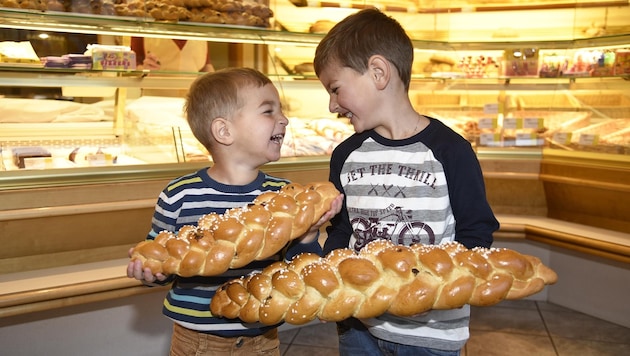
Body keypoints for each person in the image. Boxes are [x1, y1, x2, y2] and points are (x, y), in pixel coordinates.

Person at [313, 9, 499, 356]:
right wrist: (333, 277)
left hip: (431, 336)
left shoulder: (451, 151)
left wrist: (440, 288)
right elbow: (342, 230)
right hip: (358, 326)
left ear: (378, 73)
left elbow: (476, 233)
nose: (331, 105)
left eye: (335, 89)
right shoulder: (345, 155)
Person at [127, 67, 343, 356]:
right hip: (197, 341)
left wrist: (309, 236)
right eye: (268, 111)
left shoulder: (285, 197)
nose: (284, 119)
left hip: (262, 338)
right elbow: (165, 260)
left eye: (281, 110)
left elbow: (301, 271)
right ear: (224, 131)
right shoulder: (181, 194)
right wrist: (149, 272)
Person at [131, 37, 215, 72]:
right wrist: (143, 70)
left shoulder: (199, 20)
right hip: (154, 101)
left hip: (195, 102)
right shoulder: (146, 13)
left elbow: (206, 66)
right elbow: (132, 63)